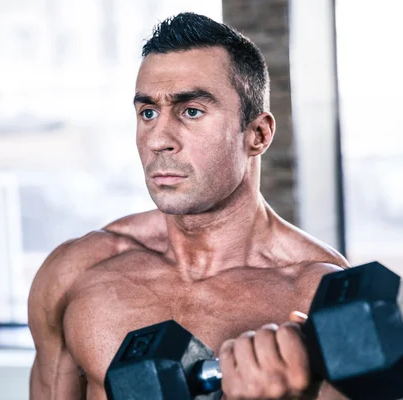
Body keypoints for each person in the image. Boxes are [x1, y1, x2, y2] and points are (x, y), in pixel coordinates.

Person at [28, 12, 350, 400]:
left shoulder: (323, 302)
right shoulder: (75, 271)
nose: (159, 139)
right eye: (148, 112)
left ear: (258, 134)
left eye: (191, 111)